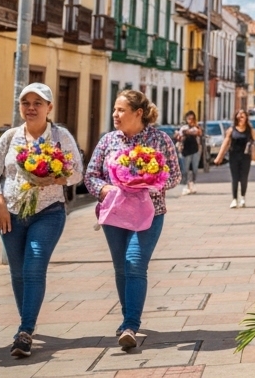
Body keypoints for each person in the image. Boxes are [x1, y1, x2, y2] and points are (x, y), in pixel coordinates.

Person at [0, 83, 84, 358]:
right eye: (25, 102)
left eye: (37, 103)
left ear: (49, 108)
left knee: (34, 267)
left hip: (49, 211)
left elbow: (77, 173)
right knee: (17, 273)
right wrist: (0, 204)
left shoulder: (61, 136)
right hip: (12, 214)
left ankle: (25, 331)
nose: (30, 108)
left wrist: (57, 177)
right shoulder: (10, 137)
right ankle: (27, 323)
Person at [85, 90, 180, 350]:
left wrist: (151, 184)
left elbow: (174, 175)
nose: (115, 114)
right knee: (120, 267)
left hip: (150, 214)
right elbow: (91, 175)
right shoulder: (107, 141)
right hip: (114, 215)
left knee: (135, 263)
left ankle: (130, 325)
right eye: (114, 110)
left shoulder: (160, 140)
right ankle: (128, 316)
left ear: (138, 113)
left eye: (121, 110)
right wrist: (105, 190)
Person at [212, 110, 255, 207]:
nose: (241, 115)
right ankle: (234, 199)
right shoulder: (231, 130)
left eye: (243, 114)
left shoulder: (250, 130)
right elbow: (225, 144)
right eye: (239, 114)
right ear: (236, 117)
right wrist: (219, 157)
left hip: (246, 157)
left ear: (246, 117)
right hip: (234, 156)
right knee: (235, 177)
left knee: (244, 178)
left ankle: (242, 197)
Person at [175, 111, 204, 195]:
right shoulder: (183, 127)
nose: (190, 120)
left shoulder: (197, 127)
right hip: (186, 151)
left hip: (195, 150)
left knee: (195, 169)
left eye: (192, 119)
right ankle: (186, 185)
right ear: (186, 119)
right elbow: (178, 136)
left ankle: (193, 183)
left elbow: (199, 133)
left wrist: (188, 132)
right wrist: (181, 134)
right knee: (185, 170)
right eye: (189, 119)